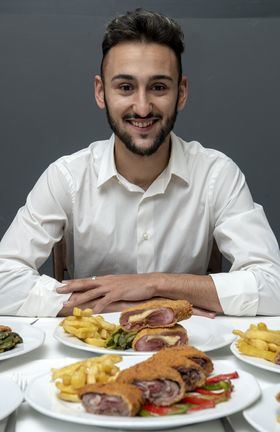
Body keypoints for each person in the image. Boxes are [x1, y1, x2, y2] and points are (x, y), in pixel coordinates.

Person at [0, 9, 279, 318]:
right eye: (125, 87)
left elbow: (273, 285)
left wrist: (152, 284)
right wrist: (116, 304)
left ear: (181, 93)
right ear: (100, 92)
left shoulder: (218, 175)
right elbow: (3, 278)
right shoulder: (66, 177)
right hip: (87, 356)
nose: (143, 107)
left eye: (158, 87)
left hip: (194, 351)